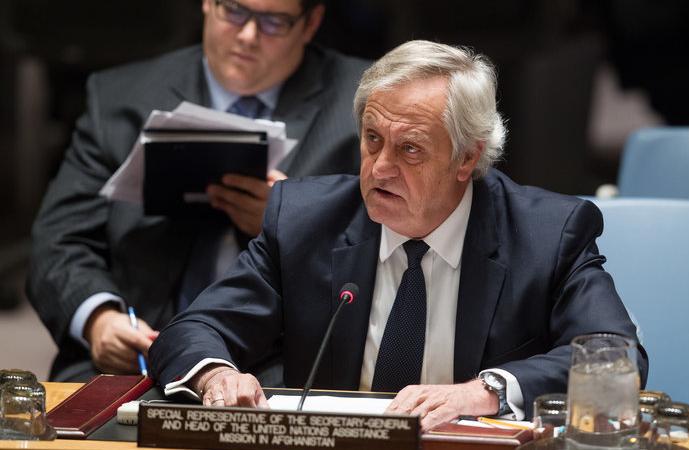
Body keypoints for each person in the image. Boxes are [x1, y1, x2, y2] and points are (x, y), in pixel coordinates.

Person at [148, 40, 648, 431]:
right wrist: (216, 375)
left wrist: (485, 392)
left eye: (410, 149)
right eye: (372, 139)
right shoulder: (305, 221)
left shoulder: (547, 234)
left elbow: (616, 354)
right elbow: (193, 329)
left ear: (467, 158)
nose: (379, 168)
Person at [26, 0, 370, 382]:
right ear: (208, 3)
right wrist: (98, 318)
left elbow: (387, 250)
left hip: (284, 364)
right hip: (138, 351)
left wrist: (292, 222)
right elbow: (59, 239)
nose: (248, 35)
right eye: (234, 11)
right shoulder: (119, 96)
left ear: (311, 23)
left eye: (274, 22)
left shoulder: (363, 107)